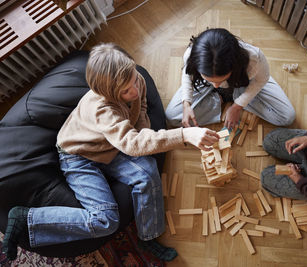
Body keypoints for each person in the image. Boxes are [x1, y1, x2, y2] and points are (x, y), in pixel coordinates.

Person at [2, 43, 220, 261]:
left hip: (110, 146)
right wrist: (183, 135)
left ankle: (148, 236)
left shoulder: (137, 81)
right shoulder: (103, 109)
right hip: (79, 157)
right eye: (125, 91)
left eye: (134, 79)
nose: (134, 90)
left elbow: (141, 107)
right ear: (109, 94)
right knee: (105, 220)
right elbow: (131, 144)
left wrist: (147, 136)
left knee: (147, 170)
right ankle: (28, 219)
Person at [165, 28, 295, 129]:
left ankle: (236, 98)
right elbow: (188, 75)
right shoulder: (191, 54)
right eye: (211, 80)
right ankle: (219, 100)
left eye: (220, 80)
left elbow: (261, 80)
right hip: (205, 85)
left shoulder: (255, 59)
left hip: (243, 82)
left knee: (286, 117)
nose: (216, 86)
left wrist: (237, 106)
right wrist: (186, 104)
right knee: (172, 117)